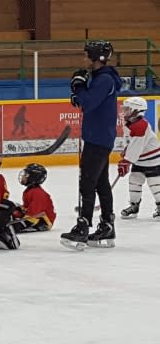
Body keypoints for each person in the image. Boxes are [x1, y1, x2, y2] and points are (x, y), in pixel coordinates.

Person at [61, 41, 122, 250]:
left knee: (87, 182)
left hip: (97, 139)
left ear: (98, 59)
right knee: (100, 182)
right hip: (99, 137)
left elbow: (89, 102)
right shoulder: (101, 78)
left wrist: (77, 87)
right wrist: (78, 93)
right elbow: (89, 102)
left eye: (87, 56)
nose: (84, 60)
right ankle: (106, 225)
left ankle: (83, 226)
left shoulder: (104, 79)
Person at [117, 97, 160, 219]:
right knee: (134, 181)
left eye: (127, 109)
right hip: (139, 160)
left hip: (153, 160)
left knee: (155, 184)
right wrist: (126, 151)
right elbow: (131, 143)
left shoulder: (141, 125)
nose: (124, 111)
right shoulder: (129, 123)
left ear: (136, 110)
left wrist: (126, 161)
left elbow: (137, 146)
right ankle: (134, 206)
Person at [13, 163, 56, 232]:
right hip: (34, 215)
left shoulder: (38, 194)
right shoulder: (30, 190)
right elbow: (27, 207)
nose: (23, 176)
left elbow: (33, 215)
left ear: (32, 178)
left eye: (25, 175)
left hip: (43, 222)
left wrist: (17, 226)